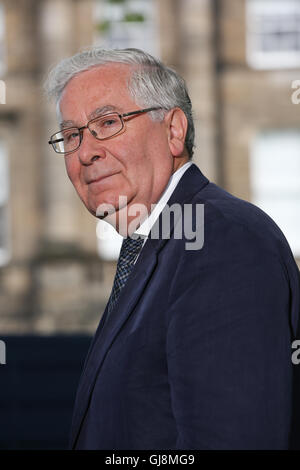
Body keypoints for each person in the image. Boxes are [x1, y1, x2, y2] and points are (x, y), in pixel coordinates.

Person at [45, 47, 300, 450]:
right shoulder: (154, 242)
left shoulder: (221, 239)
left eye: (108, 122)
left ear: (174, 131)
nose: (85, 152)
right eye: (72, 134)